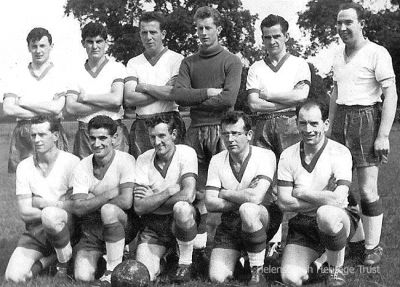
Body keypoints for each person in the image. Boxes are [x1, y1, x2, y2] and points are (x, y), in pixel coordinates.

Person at [329, 2, 398, 266]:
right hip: (340, 121)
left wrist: (383, 135)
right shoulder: (337, 54)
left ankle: (373, 246)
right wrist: (329, 123)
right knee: (339, 187)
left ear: (361, 24)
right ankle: (357, 239)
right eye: (339, 23)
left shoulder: (376, 53)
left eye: (348, 22)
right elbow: (335, 92)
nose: (343, 27)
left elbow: (390, 94)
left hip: (367, 118)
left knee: (368, 190)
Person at [171, 6, 243, 249]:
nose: (202, 33)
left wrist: (196, 99)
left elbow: (228, 100)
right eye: (199, 28)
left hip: (223, 130)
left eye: (208, 28)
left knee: (230, 187)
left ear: (218, 29)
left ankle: (233, 243)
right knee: (198, 191)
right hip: (195, 131)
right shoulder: (189, 62)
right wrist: (206, 92)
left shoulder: (231, 60)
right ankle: (199, 246)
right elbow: (179, 96)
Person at [246, 14, 311, 252]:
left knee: (293, 181)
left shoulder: (298, 64)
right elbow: (253, 103)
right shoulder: (255, 67)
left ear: (286, 36)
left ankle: (301, 238)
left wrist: (268, 95)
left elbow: (300, 97)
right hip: (262, 125)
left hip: (290, 125)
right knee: (264, 183)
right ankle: (270, 242)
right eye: (266, 37)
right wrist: (283, 99)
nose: (272, 41)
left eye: (276, 36)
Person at [278, 99, 360, 286]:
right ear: (297, 123)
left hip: (340, 217)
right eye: (303, 123)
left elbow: (339, 200)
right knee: (290, 278)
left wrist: (300, 192)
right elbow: (283, 203)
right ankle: (323, 259)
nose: (308, 129)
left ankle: (335, 271)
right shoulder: (287, 155)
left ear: (326, 124)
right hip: (304, 224)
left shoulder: (340, 152)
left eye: (314, 123)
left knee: (327, 214)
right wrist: (325, 196)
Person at [205, 111, 282, 286]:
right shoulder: (217, 160)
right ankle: (243, 259)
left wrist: (224, 192)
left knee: (247, 209)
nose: (230, 139)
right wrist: (244, 195)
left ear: (249, 135)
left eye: (236, 133)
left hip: (262, 217)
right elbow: (210, 202)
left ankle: (257, 271)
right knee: (217, 277)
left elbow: (255, 197)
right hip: (230, 223)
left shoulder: (265, 155)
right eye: (225, 134)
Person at [5, 116, 79, 283]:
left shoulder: (72, 162)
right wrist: (55, 207)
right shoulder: (24, 166)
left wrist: (42, 203)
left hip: (67, 226)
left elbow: (76, 206)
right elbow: (25, 213)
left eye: (42, 134)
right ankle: (53, 259)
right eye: (33, 135)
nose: (37, 140)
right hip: (37, 230)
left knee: (51, 216)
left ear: (55, 136)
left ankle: (63, 266)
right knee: (13, 277)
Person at [70, 115, 139, 285]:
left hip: (122, 225)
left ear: (115, 138)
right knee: (82, 277)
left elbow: (125, 201)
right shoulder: (82, 166)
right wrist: (109, 194)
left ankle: (112, 269)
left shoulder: (126, 160)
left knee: (109, 210)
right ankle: (108, 257)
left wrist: (92, 200)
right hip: (92, 231)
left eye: (103, 138)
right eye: (92, 138)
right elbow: (77, 208)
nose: (96, 143)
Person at [134, 115, 198, 283]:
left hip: (177, 221)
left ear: (174, 134)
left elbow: (188, 195)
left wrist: (153, 200)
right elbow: (139, 207)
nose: (156, 142)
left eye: (162, 136)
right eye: (152, 137)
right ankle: (168, 258)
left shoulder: (186, 152)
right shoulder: (143, 159)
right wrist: (167, 192)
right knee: (146, 275)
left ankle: (185, 262)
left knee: (182, 208)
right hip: (153, 225)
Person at [3, 27, 69, 173]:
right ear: (28, 48)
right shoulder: (17, 73)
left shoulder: (60, 73)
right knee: (25, 182)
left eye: (42, 46)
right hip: (24, 132)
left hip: (51, 130)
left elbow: (57, 107)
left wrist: (23, 103)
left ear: (51, 47)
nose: (38, 51)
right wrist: (45, 112)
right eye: (34, 46)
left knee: (56, 180)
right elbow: (8, 108)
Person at [124, 11, 186, 158]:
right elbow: (129, 99)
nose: (148, 37)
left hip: (170, 121)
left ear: (163, 34)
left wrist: (145, 87)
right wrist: (163, 90)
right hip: (142, 124)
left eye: (153, 32)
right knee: (143, 173)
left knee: (173, 170)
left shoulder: (177, 59)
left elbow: (175, 94)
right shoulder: (133, 62)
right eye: (144, 33)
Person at [66, 22, 129, 159]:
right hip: (86, 133)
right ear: (83, 43)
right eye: (90, 42)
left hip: (112, 131)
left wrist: (86, 97)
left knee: (116, 175)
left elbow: (116, 100)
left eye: (99, 41)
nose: (95, 46)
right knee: (86, 176)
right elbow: (71, 107)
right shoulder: (75, 72)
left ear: (106, 42)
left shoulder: (117, 68)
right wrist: (107, 103)